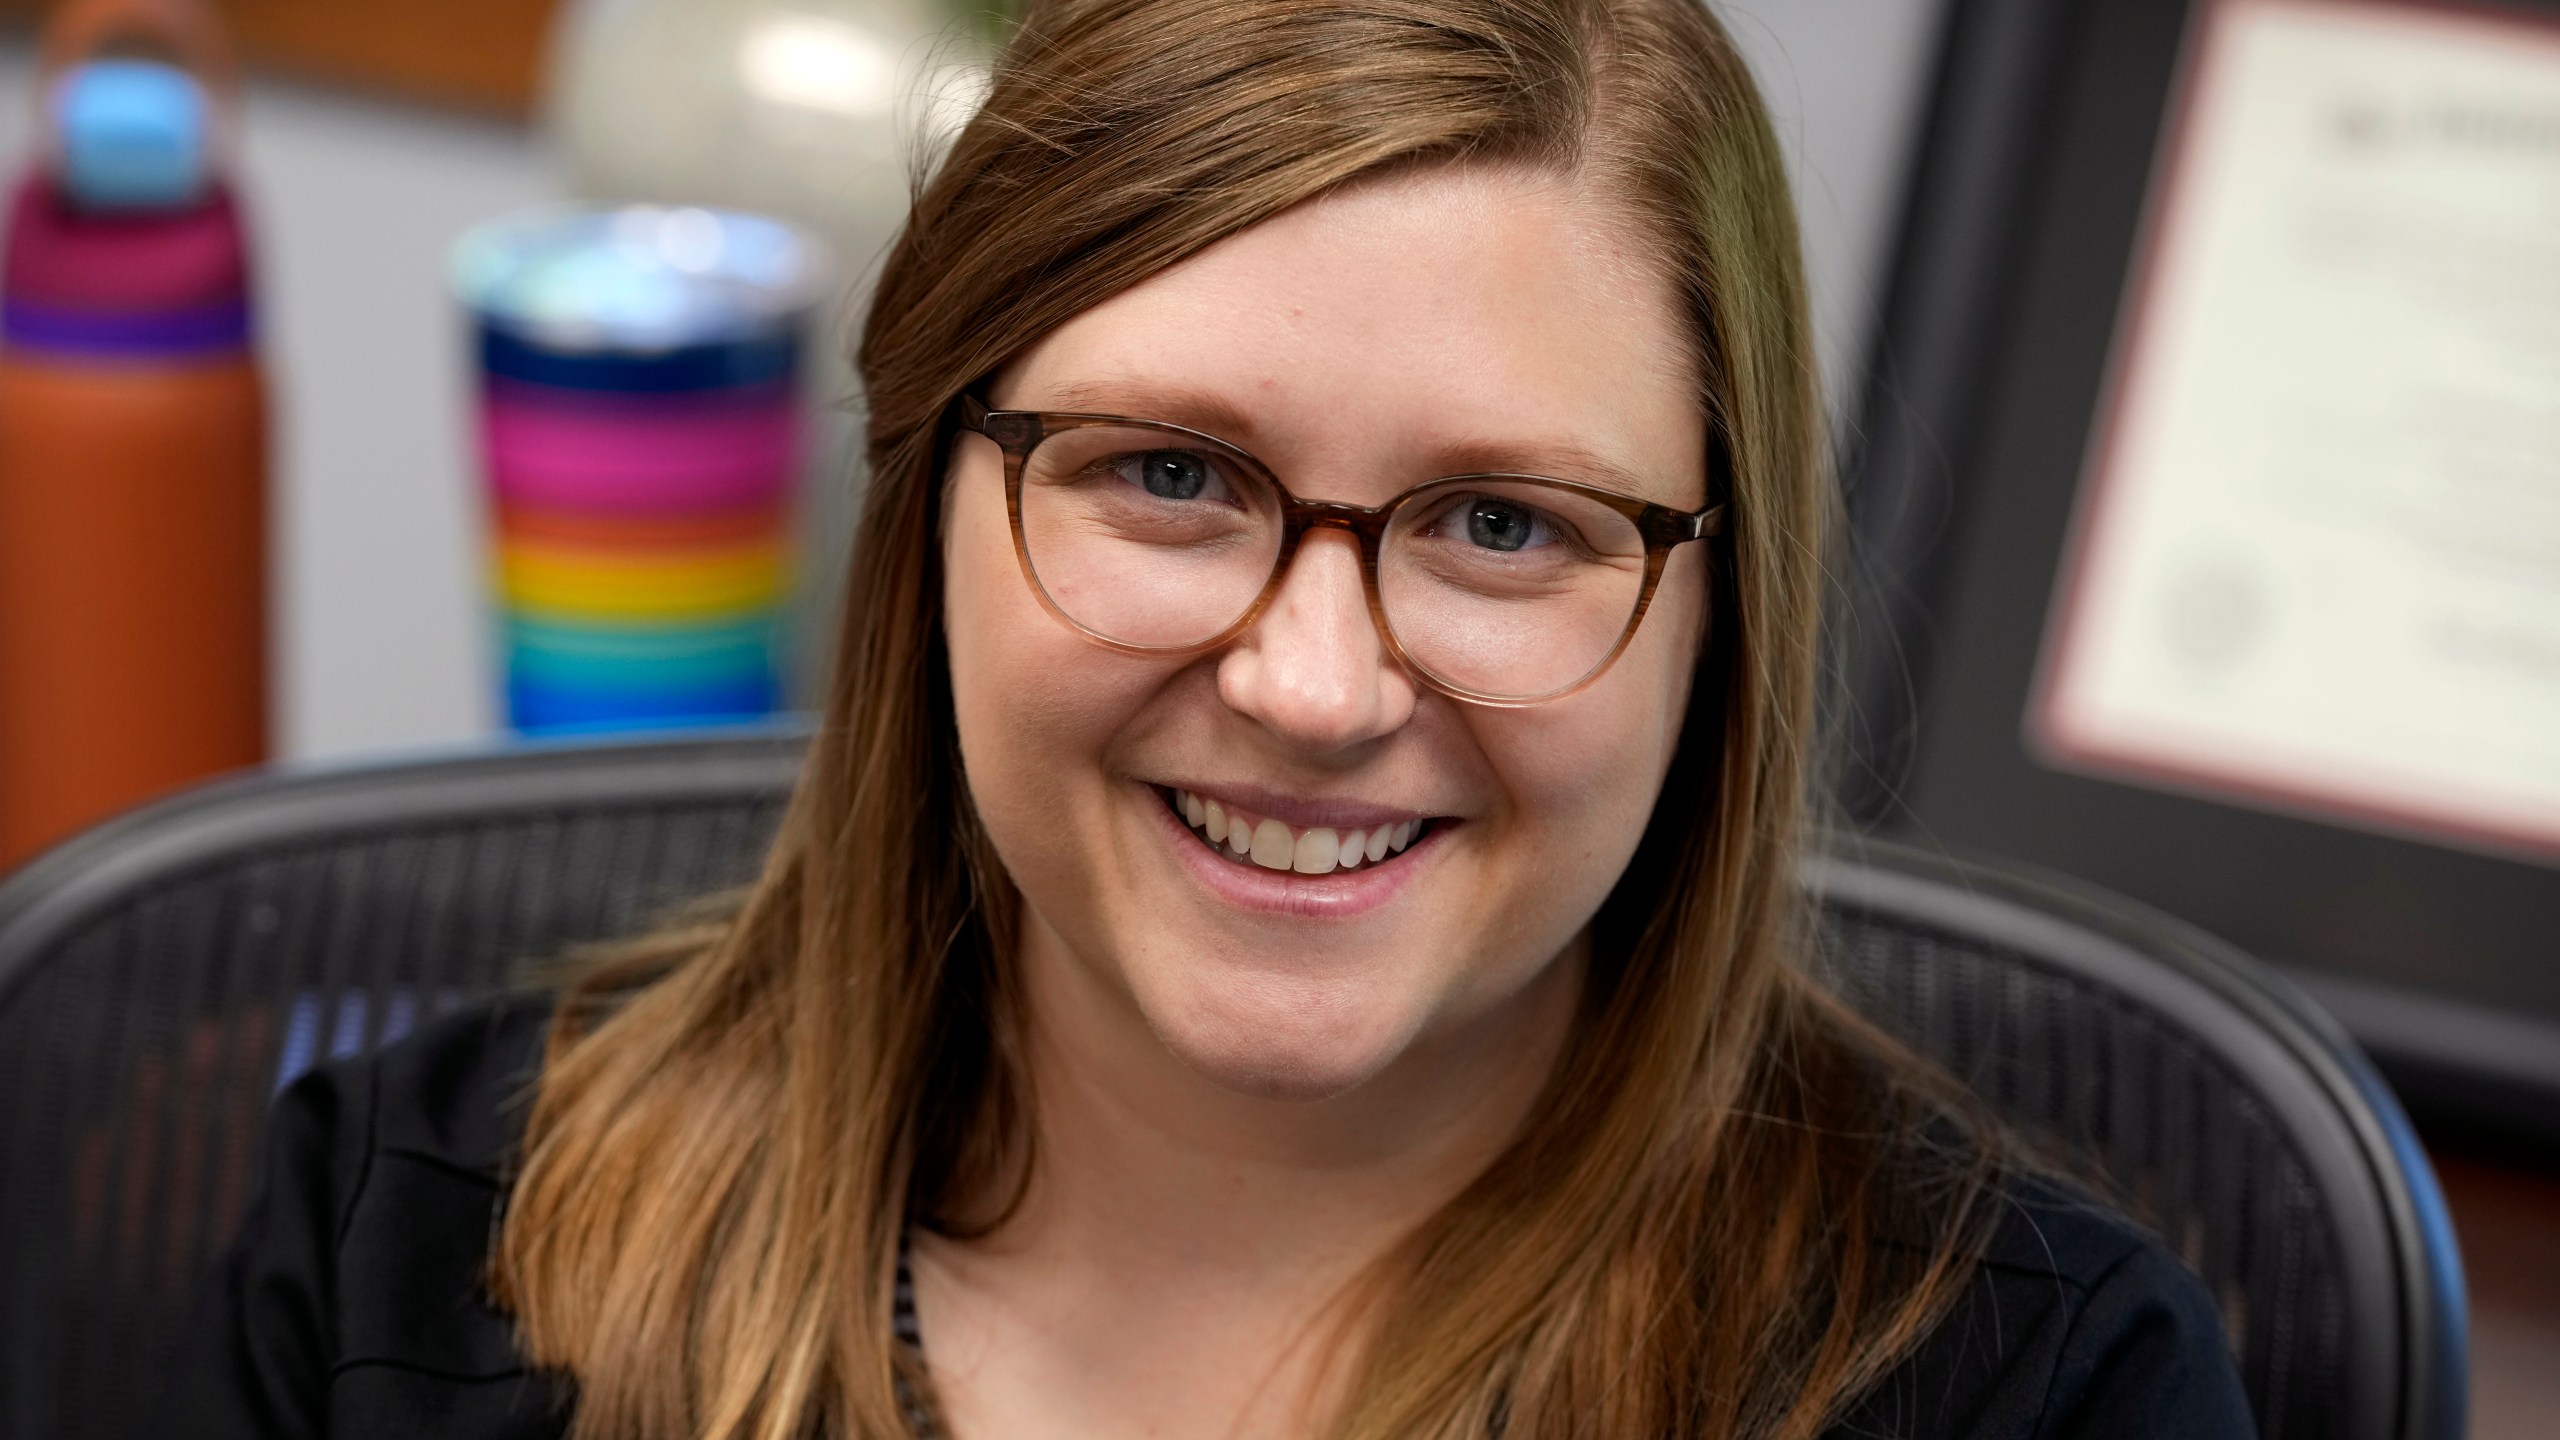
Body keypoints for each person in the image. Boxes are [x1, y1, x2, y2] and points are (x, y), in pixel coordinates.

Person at [166, 0, 2255, 1436]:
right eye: (1167, 475)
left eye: (1501, 523)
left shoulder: (2036, 1391)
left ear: (1721, 609)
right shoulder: (411, 1250)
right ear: (926, 518)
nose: (1312, 685)